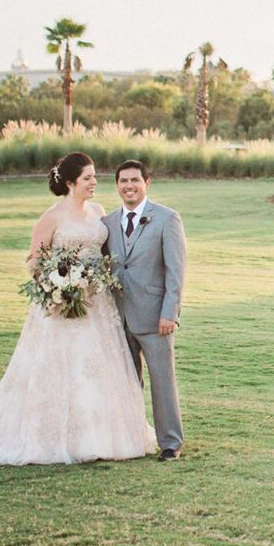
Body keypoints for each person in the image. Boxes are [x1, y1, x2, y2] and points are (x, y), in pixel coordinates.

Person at [0, 152, 156, 465]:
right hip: (62, 308)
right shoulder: (53, 217)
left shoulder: (98, 212)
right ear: (71, 182)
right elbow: (33, 260)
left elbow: (104, 253)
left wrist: (89, 278)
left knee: (99, 369)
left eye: (94, 177)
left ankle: (102, 437)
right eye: (88, 178)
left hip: (98, 305)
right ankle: (62, 437)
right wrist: (61, 281)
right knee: (64, 369)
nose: (94, 183)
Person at [103, 159, 186, 461]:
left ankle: (171, 443)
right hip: (117, 316)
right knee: (126, 381)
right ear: (117, 185)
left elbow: (175, 271)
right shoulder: (108, 223)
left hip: (155, 316)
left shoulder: (166, 218)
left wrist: (170, 313)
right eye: (123, 181)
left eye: (135, 180)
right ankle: (132, 439)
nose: (129, 186)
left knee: (162, 381)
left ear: (147, 183)